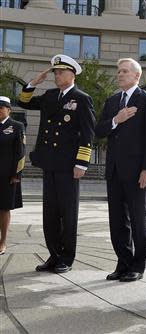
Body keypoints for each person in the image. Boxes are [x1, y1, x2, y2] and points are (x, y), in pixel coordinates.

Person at [18, 54, 96, 273]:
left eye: (60, 71)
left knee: (67, 212)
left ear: (72, 74)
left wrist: (82, 162)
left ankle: (66, 258)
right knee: (50, 212)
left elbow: (87, 133)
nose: (57, 75)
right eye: (55, 72)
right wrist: (33, 84)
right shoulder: (50, 95)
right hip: (49, 162)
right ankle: (53, 254)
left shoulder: (82, 98)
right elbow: (23, 102)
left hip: (68, 164)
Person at [95, 58, 146, 282]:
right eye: (118, 71)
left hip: (136, 172)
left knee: (137, 219)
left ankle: (137, 266)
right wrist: (116, 119)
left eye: (124, 71)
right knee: (117, 221)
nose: (119, 74)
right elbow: (100, 130)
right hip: (114, 170)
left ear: (136, 76)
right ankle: (123, 263)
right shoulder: (113, 101)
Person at [0, 96, 25, 255]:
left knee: (3, 209)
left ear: (9, 109)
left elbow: (21, 153)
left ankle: (3, 242)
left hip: (7, 176)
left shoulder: (16, 126)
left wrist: (17, 174)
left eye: (1, 107)